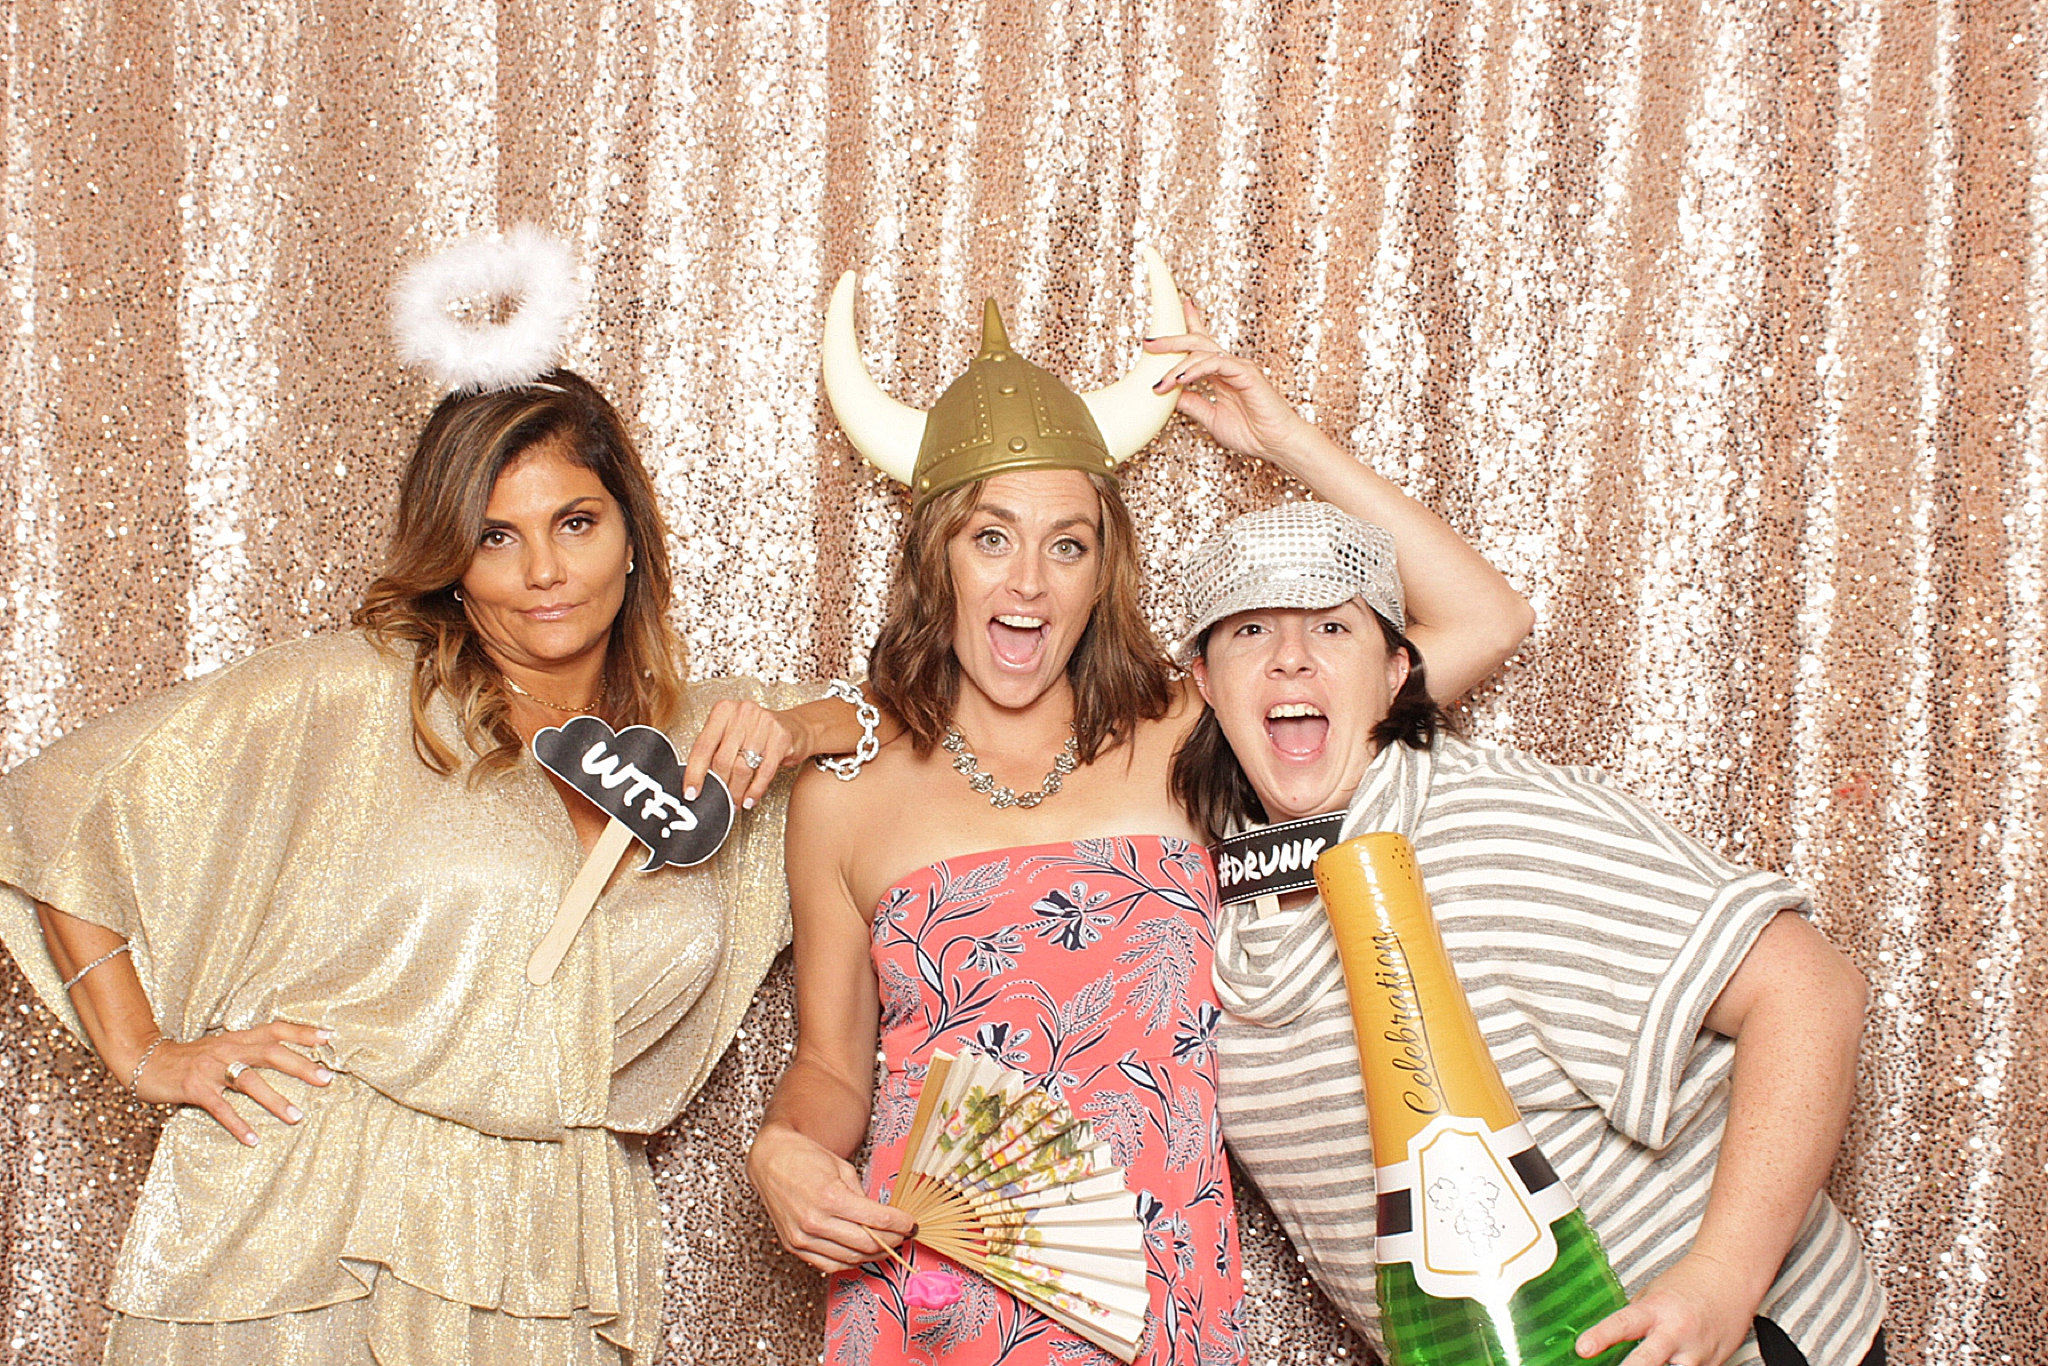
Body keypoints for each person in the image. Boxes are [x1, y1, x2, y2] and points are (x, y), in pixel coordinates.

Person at [0, 289, 880, 1358]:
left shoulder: (699, 744)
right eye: (495, 536)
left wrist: (794, 724)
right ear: (451, 564)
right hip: (301, 1214)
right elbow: (56, 811)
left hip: (548, 1240)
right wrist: (143, 1055)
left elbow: (914, 718)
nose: (544, 571)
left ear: (633, 533)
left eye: (576, 523)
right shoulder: (366, 693)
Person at [745, 259, 1532, 1364]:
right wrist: (782, 1147)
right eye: (989, 538)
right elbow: (833, 1064)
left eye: (1065, 543)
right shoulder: (845, 790)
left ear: (1100, 566)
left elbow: (1482, 619)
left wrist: (1283, 439)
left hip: (1159, 1302)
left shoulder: (1184, 733)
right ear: (935, 562)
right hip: (925, 1308)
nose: (1027, 584)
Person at [1171, 500, 1887, 1366]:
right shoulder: (1207, 891)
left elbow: (1811, 991)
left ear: (1398, 671)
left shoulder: (1496, 823)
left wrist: (1723, 1281)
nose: (1290, 656)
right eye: (1250, 629)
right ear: (1205, 682)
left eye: (1331, 625)